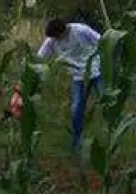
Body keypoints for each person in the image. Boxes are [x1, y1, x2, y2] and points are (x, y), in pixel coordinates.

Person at [36, 17, 102, 154]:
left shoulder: (80, 30)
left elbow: (102, 41)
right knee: (77, 108)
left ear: (64, 31)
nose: (56, 41)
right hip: (78, 76)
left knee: (108, 100)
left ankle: (111, 133)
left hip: (96, 70)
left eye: (58, 37)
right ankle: (76, 141)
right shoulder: (52, 41)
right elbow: (39, 59)